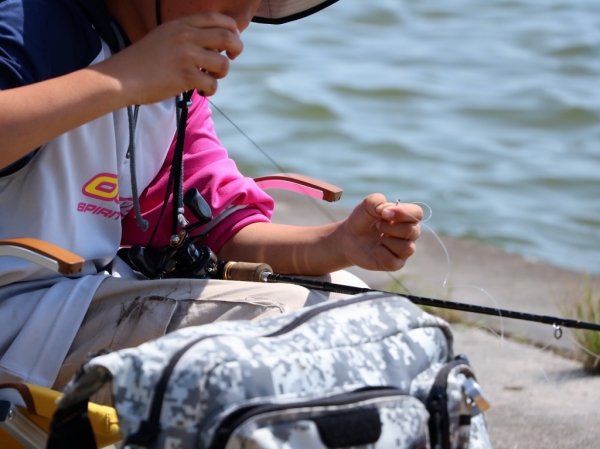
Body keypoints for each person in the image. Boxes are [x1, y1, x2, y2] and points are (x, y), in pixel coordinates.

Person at [0, 0, 423, 402]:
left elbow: (220, 227)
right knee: (288, 331)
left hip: (80, 307)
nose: (238, 22)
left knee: (371, 310)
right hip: (20, 325)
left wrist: (338, 243)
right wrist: (122, 80)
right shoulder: (28, 23)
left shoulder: (172, 83)